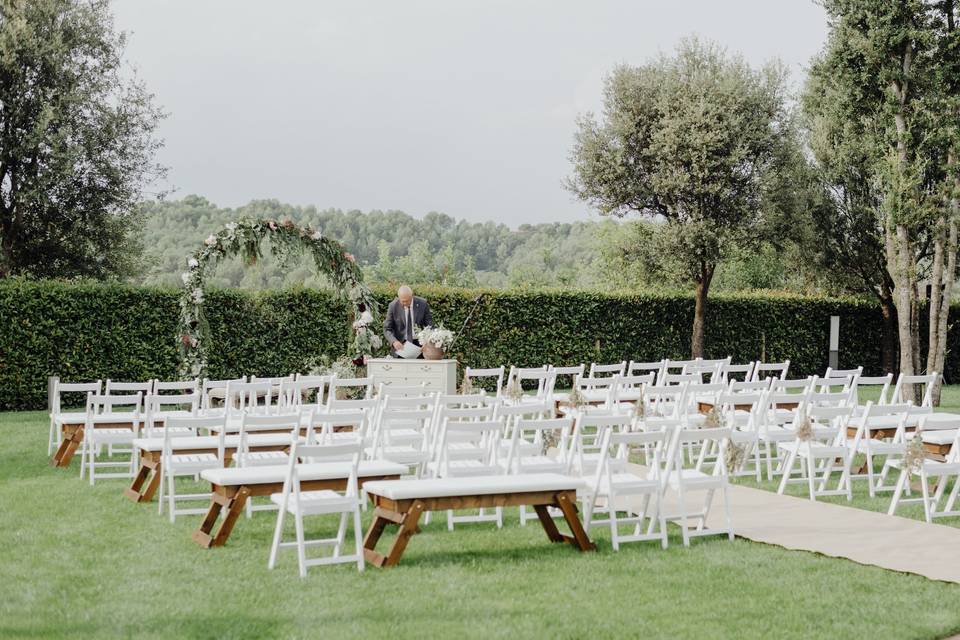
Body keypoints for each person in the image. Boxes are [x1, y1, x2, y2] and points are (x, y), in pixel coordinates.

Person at [383, 285, 433, 356]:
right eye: (403, 301)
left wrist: (427, 342)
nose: (405, 303)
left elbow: (430, 325)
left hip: (420, 345)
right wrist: (394, 341)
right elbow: (387, 328)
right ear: (399, 297)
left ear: (412, 296)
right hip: (400, 346)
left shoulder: (423, 304)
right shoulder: (393, 306)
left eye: (407, 301)